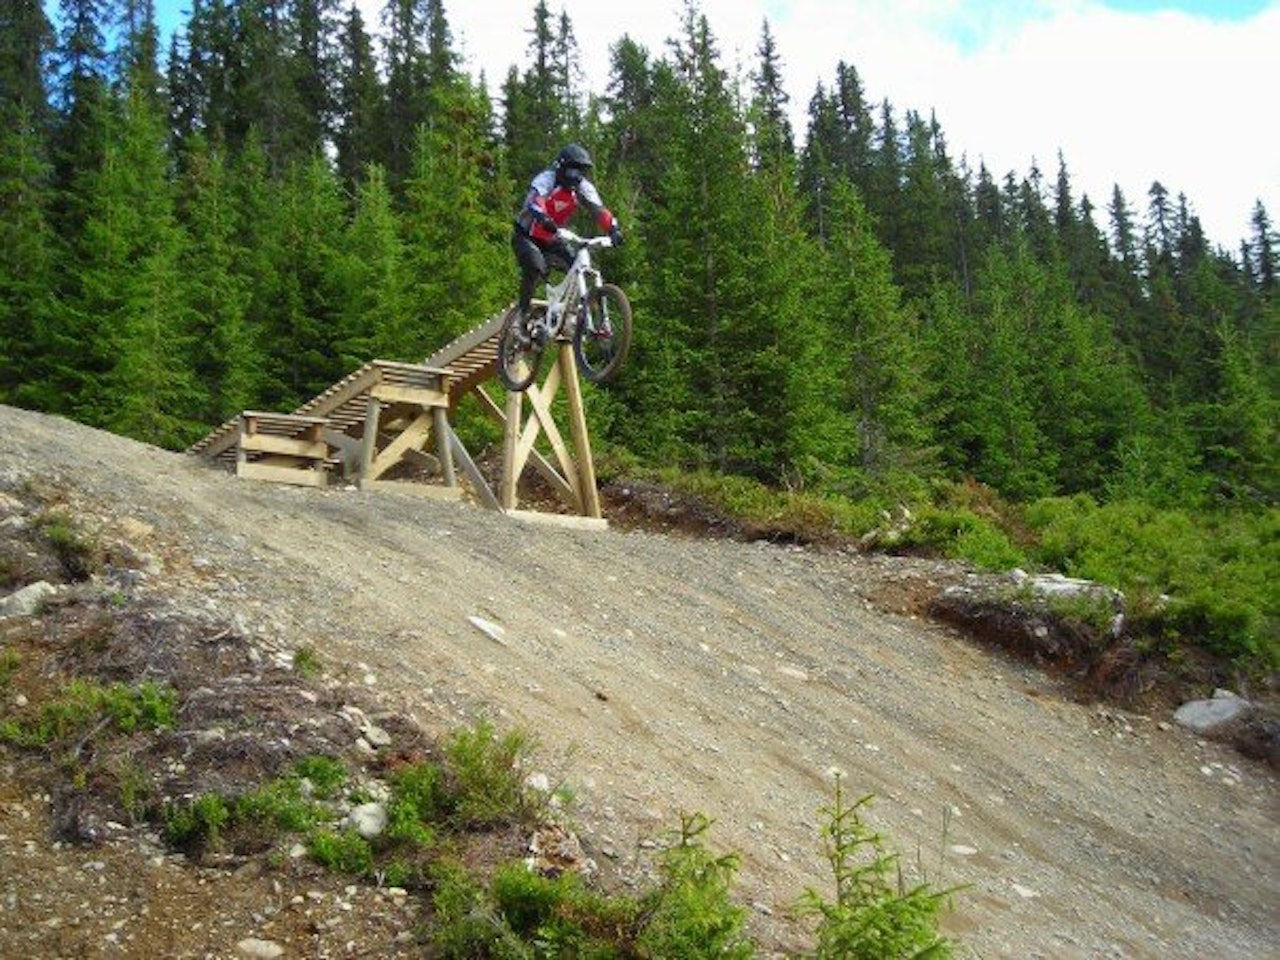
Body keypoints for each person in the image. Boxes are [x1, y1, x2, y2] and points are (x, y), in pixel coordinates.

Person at [511, 144, 623, 344]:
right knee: (535, 267)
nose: (575, 175)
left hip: (553, 238)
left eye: (580, 171)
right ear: (561, 167)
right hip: (527, 234)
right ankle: (521, 317)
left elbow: (599, 210)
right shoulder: (547, 179)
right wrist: (543, 216)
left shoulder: (582, 187)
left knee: (579, 268)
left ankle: (573, 318)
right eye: (572, 170)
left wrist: (613, 229)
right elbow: (534, 200)